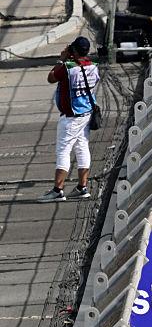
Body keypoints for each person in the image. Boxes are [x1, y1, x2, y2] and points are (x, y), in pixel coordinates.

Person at [38, 36, 100, 202]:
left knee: (63, 151)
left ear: (74, 51)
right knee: (82, 148)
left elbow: (51, 77)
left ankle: (58, 190)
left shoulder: (67, 68)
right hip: (86, 114)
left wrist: (62, 59)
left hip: (71, 117)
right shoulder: (94, 66)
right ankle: (82, 187)